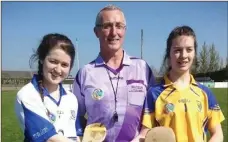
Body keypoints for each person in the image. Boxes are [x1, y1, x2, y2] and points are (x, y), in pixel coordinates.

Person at [73, 4, 155, 142]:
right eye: (107, 26)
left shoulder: (142, 68)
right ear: (96, 31)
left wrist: (142, 136)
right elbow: (76, 117)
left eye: (119, 26)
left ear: (125, 30)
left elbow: (153, 113)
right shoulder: (85, 73)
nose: (114, 32)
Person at [136, 25, 225, 142]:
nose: (183, 55)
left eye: (189, 49)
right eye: (177, 50)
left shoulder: (205, 93)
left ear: (194, 53)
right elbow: (145, 134)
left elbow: (217, 133)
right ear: (169, 54)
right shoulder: (154, 94)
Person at [15, 33, 80, 142]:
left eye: (64, 65)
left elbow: (76, 135)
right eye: (53, 62)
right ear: (41, 58)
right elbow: (51, 139)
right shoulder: (27, 95)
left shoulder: (71, 98)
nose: (58, 70)